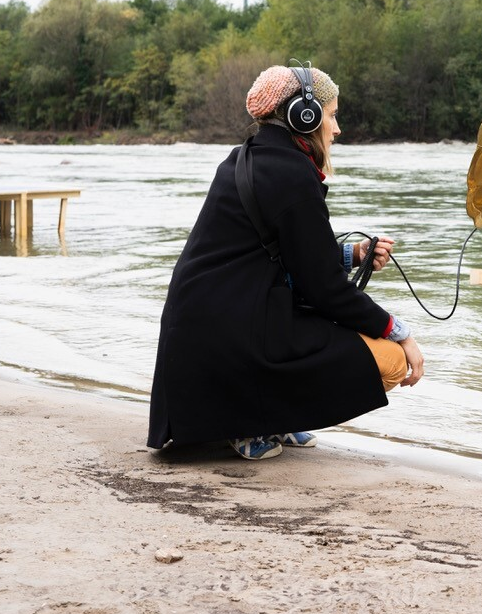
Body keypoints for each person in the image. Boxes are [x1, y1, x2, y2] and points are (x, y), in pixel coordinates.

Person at [147, 64, 425, 460]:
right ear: (304, 115)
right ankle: (252, 421)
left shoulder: (245, 158)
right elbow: (325, 289)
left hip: (205, 337)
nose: (337, 128)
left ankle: (265, 415)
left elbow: (281, 252)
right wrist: (400, 332)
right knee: (392, 362)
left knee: (340, 338)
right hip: (234, 338)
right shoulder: (292, 176)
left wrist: (353, 253)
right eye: (332, 115)